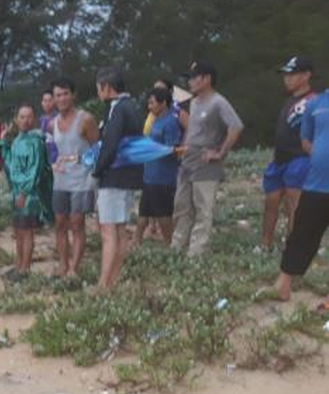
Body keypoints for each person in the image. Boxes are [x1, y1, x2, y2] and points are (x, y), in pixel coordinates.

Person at [171, 61, 244, 256]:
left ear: (207, 79)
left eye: (194, 77)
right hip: (188, 161)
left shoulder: (218, 102)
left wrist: (220, 152)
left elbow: (235, 127)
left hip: (206, 163)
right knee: (182, 206)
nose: (190, 82)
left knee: (203, 208)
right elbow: (192, 130)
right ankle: (177, 247)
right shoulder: (194, 102)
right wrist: (185, 146)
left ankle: (197, 252)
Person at [273, 87, 329, 304]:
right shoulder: (316, 104)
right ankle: (283, 283)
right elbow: (306, 140)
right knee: (302, 234)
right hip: (316, 184)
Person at [92, 67, 144, 291]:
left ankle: (104, 283)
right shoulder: (133, 107)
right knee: (121, 230)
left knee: (109, 232)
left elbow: (110, 144)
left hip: (113, 176)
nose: (98, 93)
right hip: (129, 176)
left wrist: (97, 169)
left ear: (106, 87)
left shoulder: (117, 109)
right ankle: (113, 279)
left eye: (99, 88)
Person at [260, 56, 318, 252]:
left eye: (292, 75)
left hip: (300, 157)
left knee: (294, 203)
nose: (287, 79)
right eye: (286, 75)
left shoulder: (314, 101)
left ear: (306, 75)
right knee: (271, 201)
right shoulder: (289, 100)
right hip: (280, 158)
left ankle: (293, 246)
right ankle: (265, 244)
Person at [50, 77, 100, 278]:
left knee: (77, 222)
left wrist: (81, 160)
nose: (61, 98)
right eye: (57, 95)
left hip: (82, 178)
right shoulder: (52, 122)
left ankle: (74, 269)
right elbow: (52, 148)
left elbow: (98, 149)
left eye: (65, 94)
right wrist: (54, 162)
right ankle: (63, 264)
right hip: (60, 180)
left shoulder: (85, 119)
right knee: (60, 222)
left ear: (73, 95)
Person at [0, 104, 54, 281]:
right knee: (18, 231)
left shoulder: (35, 141)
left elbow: (35, 170)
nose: (25, 120)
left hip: (29, 195)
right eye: (22, 117)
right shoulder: (18, 140)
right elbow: (11, 165)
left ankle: (25, 269)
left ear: (34, 119)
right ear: (17, 119)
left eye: (29, 117)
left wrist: (24, 191)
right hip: (17, 193)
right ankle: (18, 265)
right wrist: (3, 143)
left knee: (27, 231)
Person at [135, 87, 183, 245]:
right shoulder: (155, 120)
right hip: (149, 174)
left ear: (163, 103)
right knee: (144, 212)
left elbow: (172, 149)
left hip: (163, 177)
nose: (149, 107)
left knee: (163, 213)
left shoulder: (170, 122)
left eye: (152, 103)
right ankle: (136, 241)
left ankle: (170, 243)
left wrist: (152, 149)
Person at [40, 89, 59, 163]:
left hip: (58, 159)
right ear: (42, 103)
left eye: (50, 100)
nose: (47, 103)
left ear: (54, 101)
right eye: (45, 101)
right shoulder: (41, 120)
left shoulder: (59, 118)